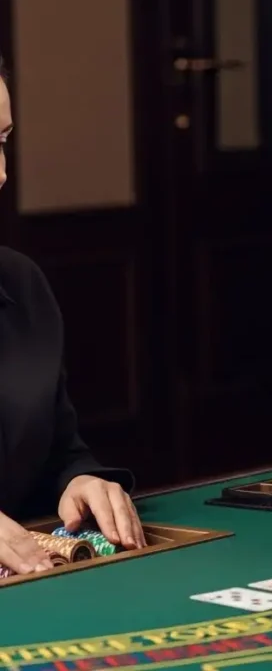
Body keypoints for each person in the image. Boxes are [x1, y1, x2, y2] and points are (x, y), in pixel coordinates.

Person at [0, 56, 145, 575]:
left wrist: (79, 482)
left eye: (1, 141)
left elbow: (58, 451)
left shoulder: (22, 284)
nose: (0, 173)